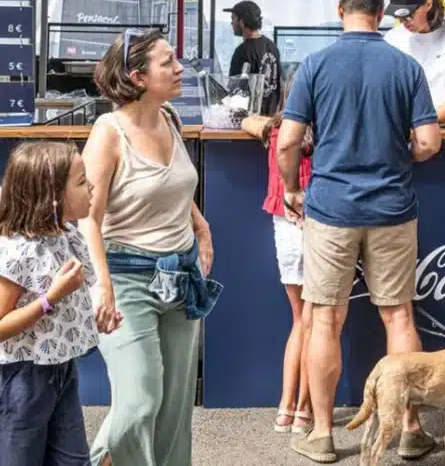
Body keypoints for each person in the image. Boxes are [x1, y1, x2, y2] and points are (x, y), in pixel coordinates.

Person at [278, 0, 442, 463]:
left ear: (340, 10)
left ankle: (324, 435)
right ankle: (410, 429)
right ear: (379, 13)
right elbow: (430, 143)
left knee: (325, 319)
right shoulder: (405, 66)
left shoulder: (315, 65)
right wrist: (399, 155)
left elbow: (287, 140)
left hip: (330, 208)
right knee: (398, 315)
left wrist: (291, 188)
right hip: (392, 207)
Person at [83, 29, 221, 466]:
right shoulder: (109, 132)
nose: (180, 68)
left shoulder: (172, 119)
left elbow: (175, 187)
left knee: (174, 407)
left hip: (181, 276)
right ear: (138, 76)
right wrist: (102, 285)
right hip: (125, 277)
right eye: (168, 62)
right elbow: (89, 216)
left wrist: (201, 227)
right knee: (140, 398)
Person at [0, 141, 101, 466]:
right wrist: (50, 298)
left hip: (61, 369)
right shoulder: (18, 251)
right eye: (82, 182)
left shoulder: (66, 234)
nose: (92, 187)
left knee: (73, 460)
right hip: (22, 377)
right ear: (53, 195)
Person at [241, 71, 314, 436]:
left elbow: (247, 120)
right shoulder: (329, 134)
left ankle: (287, 408)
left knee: (300, 320)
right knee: (321, 323)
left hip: (284, 226)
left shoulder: (275, 130)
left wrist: (248, 118)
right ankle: (305, 409)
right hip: (322, 224)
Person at [225, 0, 282, 115]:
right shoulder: (272, 47)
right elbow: (279, 84)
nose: (231, 23)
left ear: (242, 22)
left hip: (250, 121)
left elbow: (235, 92)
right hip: (270, 119)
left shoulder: (242, 52)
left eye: (233, 19)